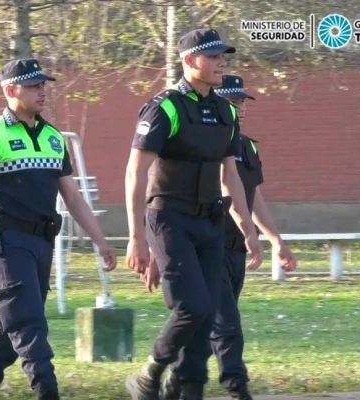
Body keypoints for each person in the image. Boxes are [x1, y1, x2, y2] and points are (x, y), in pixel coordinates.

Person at [0, 58, 117, 400]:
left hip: (42, 243)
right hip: (5, 244)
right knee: (29, 325)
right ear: (11, 90)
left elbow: (72, 197)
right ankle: (48, 391)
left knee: (8, 332)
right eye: (34, 86)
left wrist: (101, 241)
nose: (43, 91)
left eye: (43, 85)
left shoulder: (54, 138)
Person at [124, 29, 264, 400]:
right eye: (213, 57)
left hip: (210, 221)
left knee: (206, 318)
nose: (222, 63)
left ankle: (186, 389)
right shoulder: (165, 107)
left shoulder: (225, 111)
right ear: (189, 61)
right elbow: (135, 173)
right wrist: (137, 237)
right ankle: (151, 371)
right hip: (169, 218)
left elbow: (229, 174)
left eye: (223, 57)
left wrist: (248, 228)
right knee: (193, 307)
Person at [144, 75, 298, 400]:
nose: (240, 107)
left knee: (206, 325)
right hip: (203, 239)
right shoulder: (201, 143)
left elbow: (253, 196)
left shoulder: (247, 146)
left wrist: (271, 238)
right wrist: (155, 247)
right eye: (233, 101)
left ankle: (175, 383)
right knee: (225, 325)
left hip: (235, 250)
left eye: (242, 101)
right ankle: (236, 388)